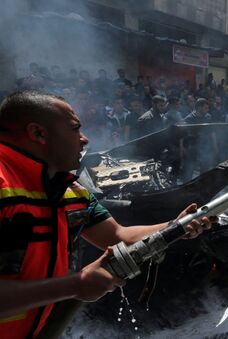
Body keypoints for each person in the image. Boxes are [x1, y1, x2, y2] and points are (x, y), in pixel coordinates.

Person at [0, 91, 212, 338]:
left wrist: (175, 226)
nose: (85, 139)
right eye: (74, 129)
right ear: (38, 133)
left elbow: (117, 235)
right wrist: (74, 285)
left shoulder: (69, 190)